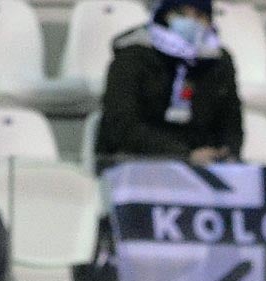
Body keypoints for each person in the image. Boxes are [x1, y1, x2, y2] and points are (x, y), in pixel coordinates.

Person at [95, 0, 243, 172]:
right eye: (181, 14)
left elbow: (231, 122)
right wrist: (184, 155)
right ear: (164, 15)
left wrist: (227, 152)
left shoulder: (218, 61)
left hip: (203, 170)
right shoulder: (132, 57)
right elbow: (122, 127)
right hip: (135, 166)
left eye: (199, 16)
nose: (191, 21)